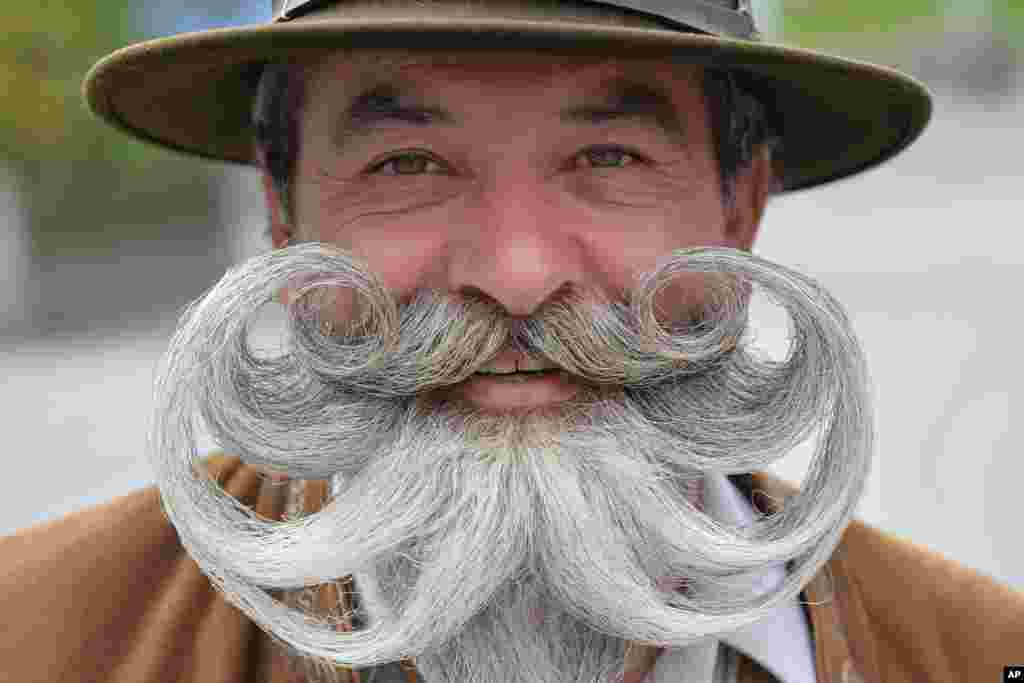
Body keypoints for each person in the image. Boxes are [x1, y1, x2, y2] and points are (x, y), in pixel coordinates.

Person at [2, 1, 1022, 682]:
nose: (518, 269)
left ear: (737, 204)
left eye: (609, 154)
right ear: (283, 207)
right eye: (408, 164)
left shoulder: (973, 652)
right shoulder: (34, 638)